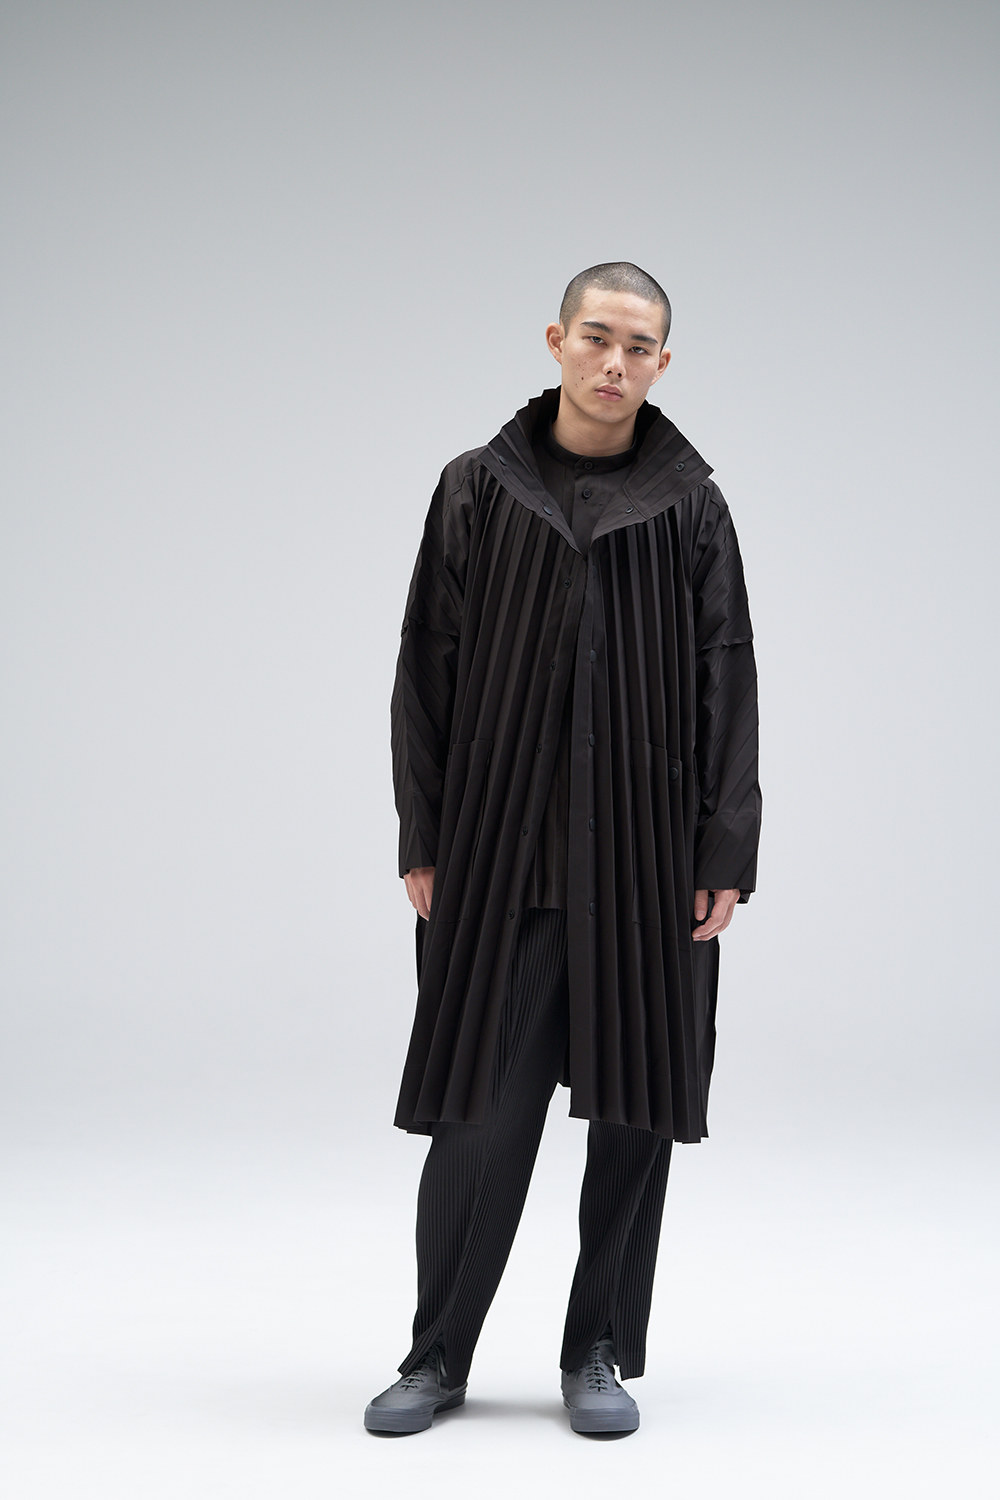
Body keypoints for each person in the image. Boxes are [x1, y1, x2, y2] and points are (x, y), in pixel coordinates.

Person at [365, 263, 760, 1438]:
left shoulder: (692, 506)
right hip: (504, 863)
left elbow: (728, 675)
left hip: (648, 863)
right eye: (597, 338)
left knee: (636, 1114)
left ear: (661, 364)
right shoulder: (477, 487)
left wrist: (724, 851)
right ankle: (437, 1355)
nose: (614, 364)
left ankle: (596, 1349)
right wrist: (425, 833)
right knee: (478, 1120)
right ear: (555, 340)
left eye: (638, 348)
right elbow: (424, 665)